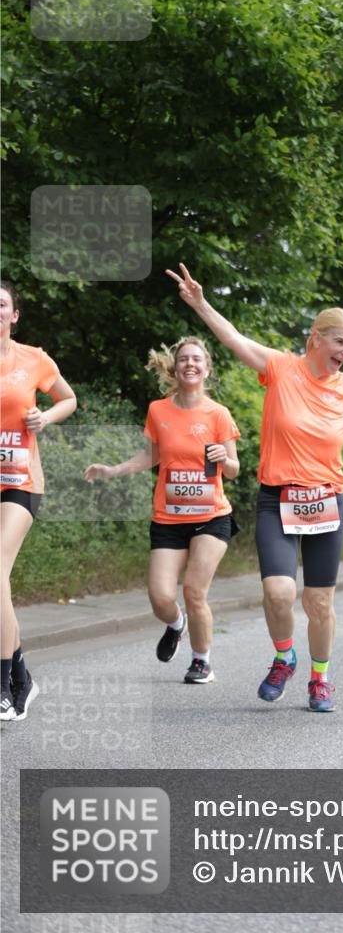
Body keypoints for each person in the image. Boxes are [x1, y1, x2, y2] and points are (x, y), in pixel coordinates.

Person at [167, 262, 343, 712]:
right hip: (278, 498)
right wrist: (201, 303)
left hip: (326, 500)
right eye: (340, 342)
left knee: (319, 602)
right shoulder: (281, 368)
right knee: (279, 592)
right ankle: (285, 656)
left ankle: (320, 678)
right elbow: (234, 340)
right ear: (316, 338)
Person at [85, 337, 240, 684]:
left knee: (194, 591)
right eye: (184, 359)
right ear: (175, 367)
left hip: (211, 517)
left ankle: (201, 661)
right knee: (160, 598)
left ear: (207, 369)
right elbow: (151, 456)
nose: (190, 364)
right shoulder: (159, 410)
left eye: (197, 359)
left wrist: (224, 459)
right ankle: (176, 624)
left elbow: (234, 469)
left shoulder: (218, 413)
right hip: (169, 518)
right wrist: (111, 470)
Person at [1, 281, 77, 721]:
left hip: (20, 480)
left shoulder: (34, 358)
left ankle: (2, 688)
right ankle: (22, 677)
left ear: (14, 315)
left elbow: (68, 399)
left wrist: (43, 417)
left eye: (1, 304)